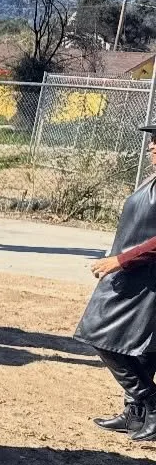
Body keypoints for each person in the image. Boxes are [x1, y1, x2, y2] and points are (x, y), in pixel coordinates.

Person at [74, 123, 156, 442]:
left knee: (99, 332)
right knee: (139, 347)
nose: (151, 146)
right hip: (132, 275)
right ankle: (136, 414)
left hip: (144, 277)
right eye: (151, 141)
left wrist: (120, 260)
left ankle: (150, 402)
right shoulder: (151, 177)